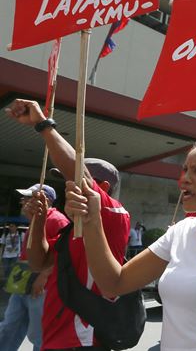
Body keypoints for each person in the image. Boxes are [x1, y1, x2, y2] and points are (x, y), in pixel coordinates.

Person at [65, 137, 196, 351]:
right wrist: (92, 220)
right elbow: (114, 283)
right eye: (185, 170)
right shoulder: (179, 232)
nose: (185, 179)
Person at [6, 98, 131, 350]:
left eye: (74, 178)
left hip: (82, 341)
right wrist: (39, 221)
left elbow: (79, 178)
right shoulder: (73, 226)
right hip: (54, 338)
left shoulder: (114, 214)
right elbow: (38, 262)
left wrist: (43, 125)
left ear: (103, 188)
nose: (69, 185)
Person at [0, 184, 69, 351]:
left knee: (40, 334)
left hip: (41, 286)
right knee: (10, 326)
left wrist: (44, 276)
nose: (23, 201)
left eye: (29, 197)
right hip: (23, 281)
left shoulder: (57, 220)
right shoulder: (35, 220)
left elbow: (63, 253)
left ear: (44, 200)